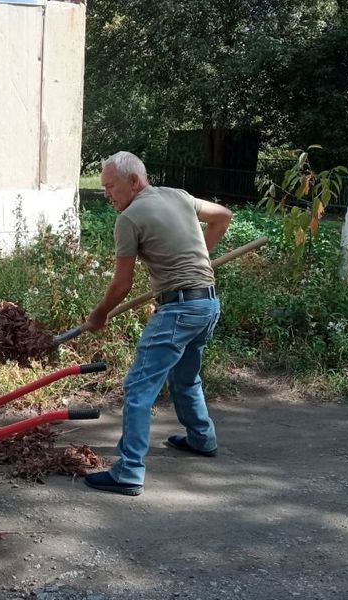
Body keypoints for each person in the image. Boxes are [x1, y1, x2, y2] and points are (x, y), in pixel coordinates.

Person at [83, 151, 232, 496]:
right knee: (185, 376)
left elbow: (122, 284)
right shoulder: (178, 196)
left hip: (178, 310)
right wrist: (200, 259)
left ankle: (129, 471)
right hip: (207, 304)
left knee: (138, 389)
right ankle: (202, 438)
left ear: (134, 181)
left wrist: (100, 313)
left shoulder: (130, 218)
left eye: (111, 187)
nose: (107, 195)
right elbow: (223, 217)